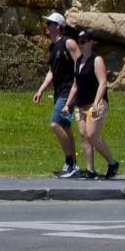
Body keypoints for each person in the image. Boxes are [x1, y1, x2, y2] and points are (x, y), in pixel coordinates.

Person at [31, 12, 80, 177]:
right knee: (65, 126)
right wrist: (41, 90)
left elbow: (80, 65)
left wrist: (79, 86)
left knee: (55, 124)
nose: (46, 26)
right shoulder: (52, 47)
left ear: (58, 26)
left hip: (69, 91)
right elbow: (51, 72)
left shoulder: (69, 43)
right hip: (59, 91)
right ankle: (74, 165)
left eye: (49, 24)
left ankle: (70, 163)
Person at [71, 30, 120, 180]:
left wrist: (97, 103)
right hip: (81, 103)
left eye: (84, 41)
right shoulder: (78, 61)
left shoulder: (96, 59)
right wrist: (68, 104)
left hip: (95, 103)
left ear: (91, 42)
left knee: (92, 135)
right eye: (79, 41)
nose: (81, 44)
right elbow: (75, 85)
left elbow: (103, 83)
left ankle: (112, 163)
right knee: (84, 136)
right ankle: (90, 170)